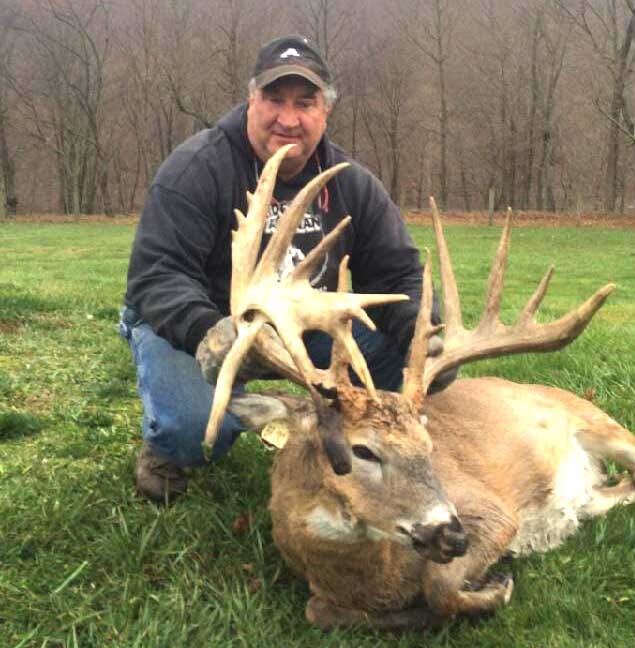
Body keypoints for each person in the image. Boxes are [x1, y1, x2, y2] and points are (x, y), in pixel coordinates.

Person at [120, 35, 455, 504]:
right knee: (198, 430)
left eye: (305, 103)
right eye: (274, 100)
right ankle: (166, 448)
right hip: (206, 330)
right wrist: (206, 330)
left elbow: (399, 274)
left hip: (309, 331)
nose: (288, 119)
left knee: (416, 373)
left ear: (326, 111)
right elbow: (156, 274)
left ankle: (345, 441)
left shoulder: (350, 183)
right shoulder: (197, 168)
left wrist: (422, 332)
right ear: (251, 99)